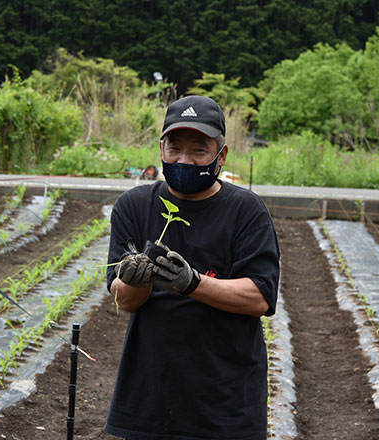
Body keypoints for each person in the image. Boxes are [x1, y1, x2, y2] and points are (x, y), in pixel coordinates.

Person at [105, 95, 280, 440]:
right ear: (161, 148)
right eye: (174, 148)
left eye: (199, 150)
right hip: (150, 396)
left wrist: (192, 283)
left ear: (222, 155)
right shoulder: (133, 207)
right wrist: (137, 281)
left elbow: (259, 297)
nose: (184, 160)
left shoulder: (246, 211)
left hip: (226, 402)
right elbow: (124, 300)